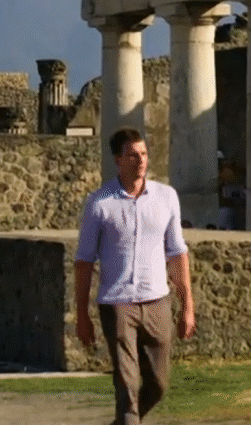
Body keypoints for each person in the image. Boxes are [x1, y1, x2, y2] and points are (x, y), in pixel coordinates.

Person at [75, 128, 196, 425]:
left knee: (158, 384)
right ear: (118, 160)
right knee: (127, 386)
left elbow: (177, 253)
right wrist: (81, 314)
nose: (140, 161)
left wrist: (187, 307)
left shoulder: (166, 197)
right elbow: (84, 261)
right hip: (117, 305)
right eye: (132, 155)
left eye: (143, 154)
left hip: (157, 301)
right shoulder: (99, 203)